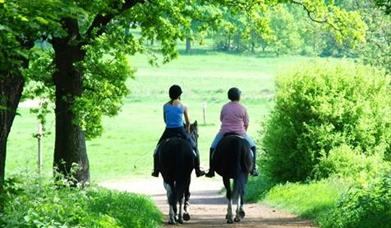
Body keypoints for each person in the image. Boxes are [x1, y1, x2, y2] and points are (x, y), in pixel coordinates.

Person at [152, 85, 205, 177]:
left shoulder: (165, 106)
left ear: (170, 95)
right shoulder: (183, 106)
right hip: (180, 130)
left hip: (168, 130)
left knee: (157, 149)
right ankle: (197, 170)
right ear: (180, 95)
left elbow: (165, 120)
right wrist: (187, 131)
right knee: (194, 148)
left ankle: (156, 170)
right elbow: (188, 123)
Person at [205, 87, 259, 177]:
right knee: (253, 146)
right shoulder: (243, 108)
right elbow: (246, 123)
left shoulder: (224, 107)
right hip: (240, 132)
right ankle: (253, 169)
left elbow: (221, 119)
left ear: (229, 96)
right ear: (239, 97)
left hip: (224, 132)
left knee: (212, 148)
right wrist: (244, 131)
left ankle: (211, 170)